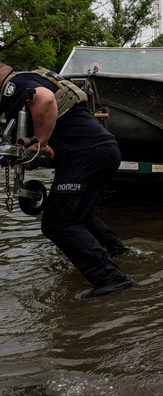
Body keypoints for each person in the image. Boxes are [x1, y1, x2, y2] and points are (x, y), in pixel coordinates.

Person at [0, 62, 133, 298]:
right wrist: (36, 151)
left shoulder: (14, 84)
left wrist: (40, 139)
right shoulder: (29, 77)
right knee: (75, 214)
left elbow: (45, 99)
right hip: (99, 150)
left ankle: (112, 280)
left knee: (57, 223)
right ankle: (117, 251)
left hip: (86, 154)